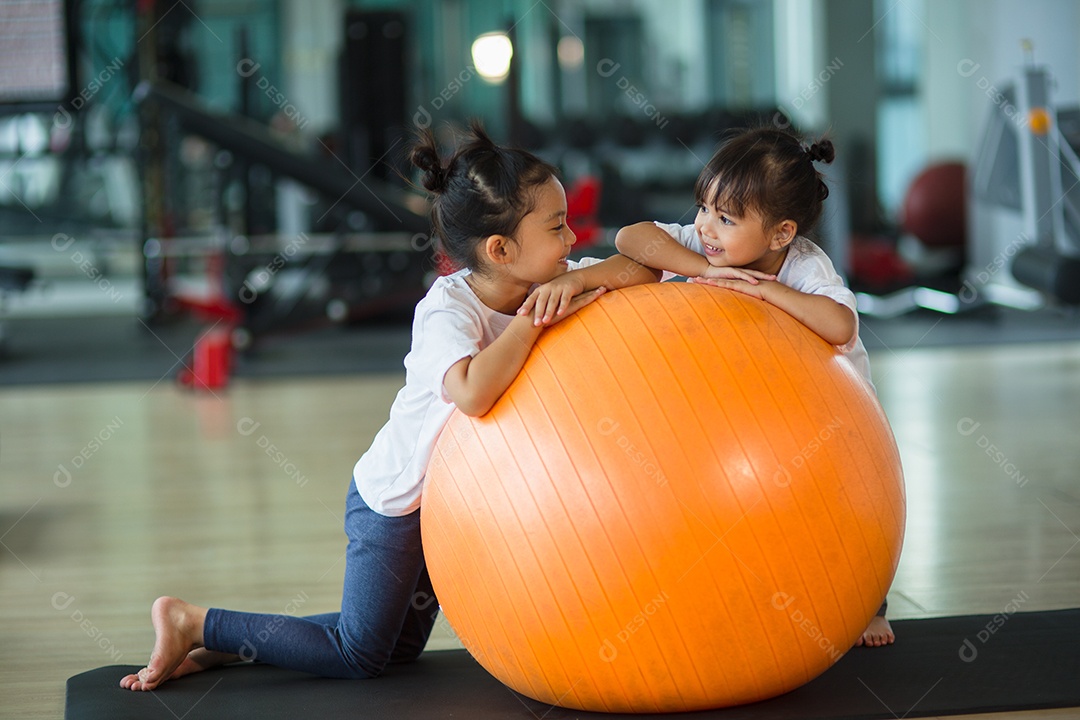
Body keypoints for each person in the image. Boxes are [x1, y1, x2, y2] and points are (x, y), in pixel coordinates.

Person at [120, 122, 660, 691]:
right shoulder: (447, 311)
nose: (573, 239)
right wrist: (532, 321)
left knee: (395, 648)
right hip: (395, 504)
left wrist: (584, 282)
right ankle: (194, 621)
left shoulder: (550, 276)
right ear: (500, 249)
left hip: (446, 507)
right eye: (558, 226)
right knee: (361, 655)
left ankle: (225, 647)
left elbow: (641, 269)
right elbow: (473, 393)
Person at [614, 125, 893, 648]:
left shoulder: (804, 265)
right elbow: (630, 237)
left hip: (835, 416)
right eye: (703, 209)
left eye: (725, 218)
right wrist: (705, 269)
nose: (706, 227)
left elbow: (840, 325)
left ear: (781, 234)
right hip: (770, 415)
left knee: (848, 509)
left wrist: (766, 292)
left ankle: (870, 603)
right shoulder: (712, 246)